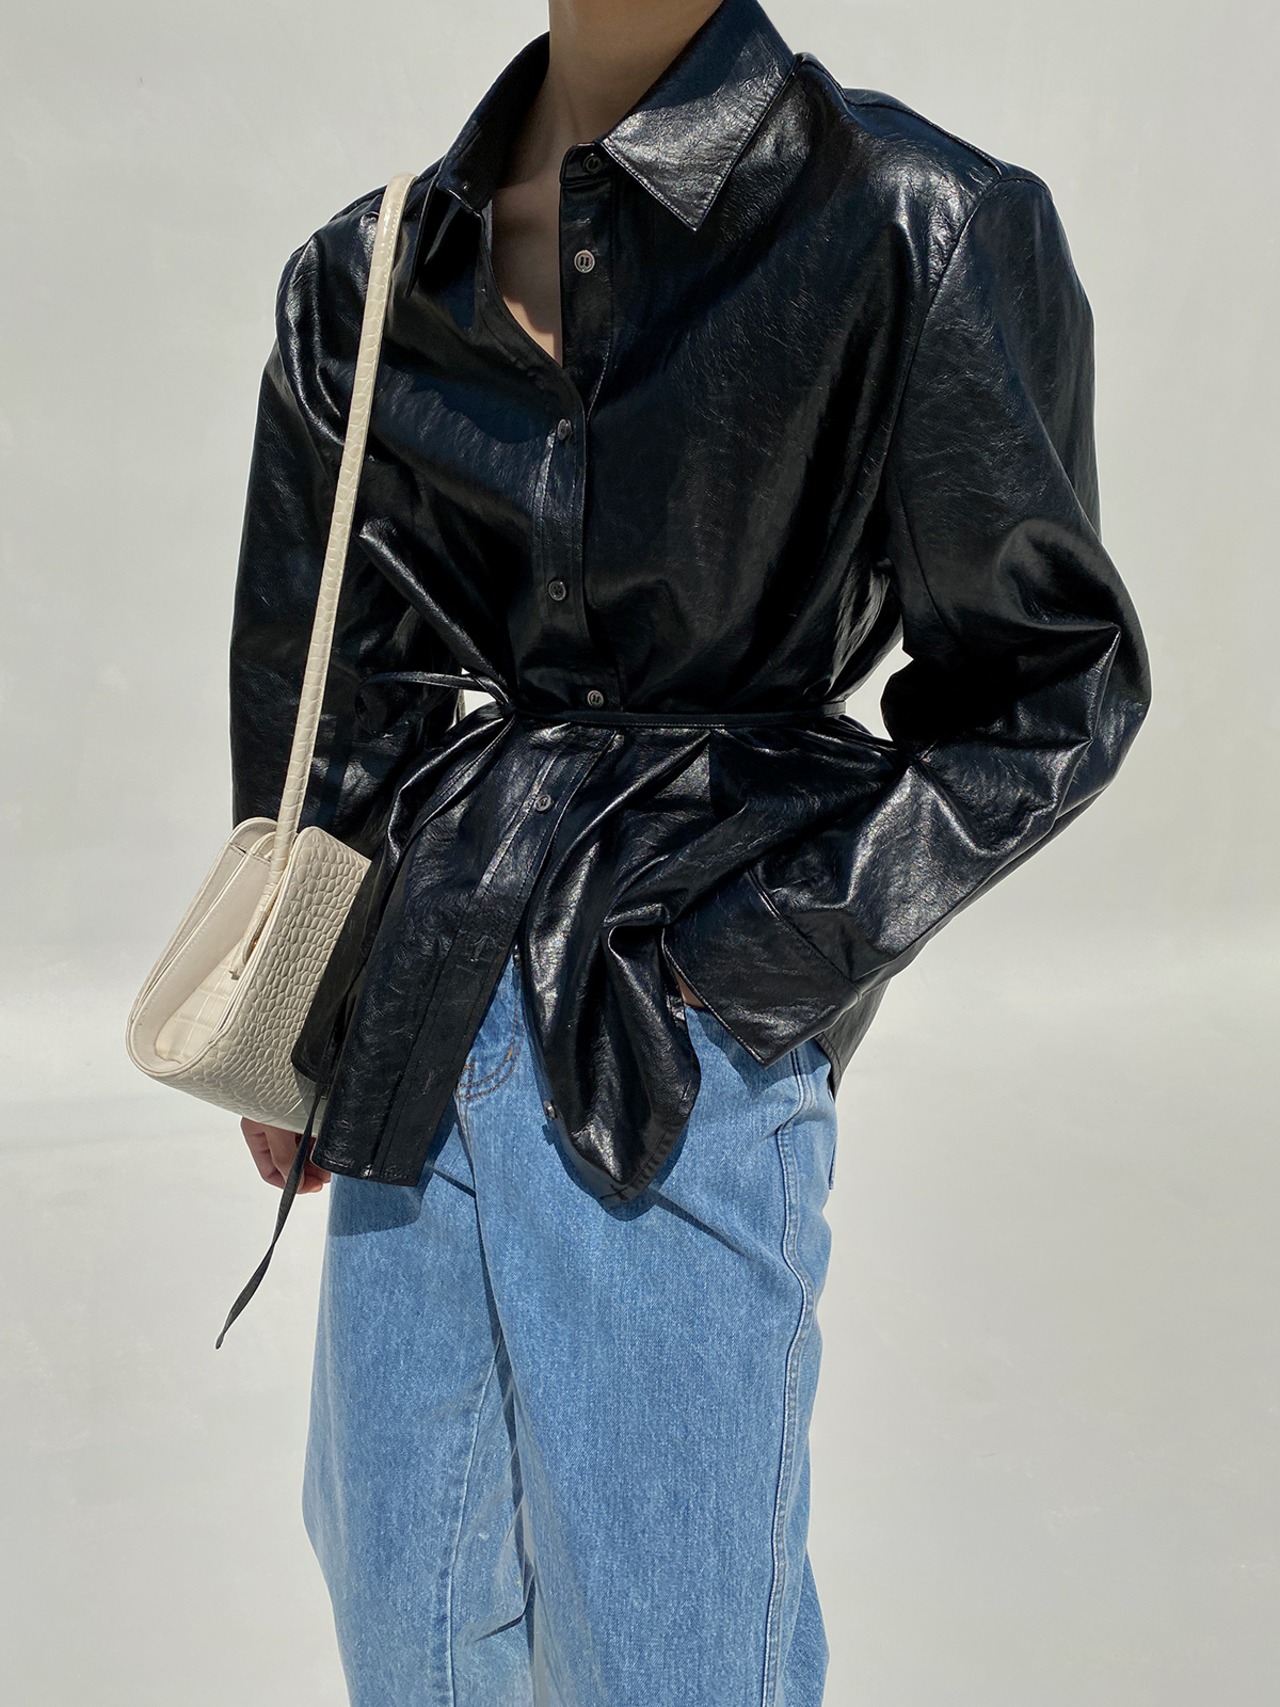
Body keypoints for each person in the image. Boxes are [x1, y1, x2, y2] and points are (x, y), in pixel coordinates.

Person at [226, 0, 1150, 1700]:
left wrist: (748, 959)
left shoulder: (913, 220)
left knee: (677, 1658)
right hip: (418, 1011)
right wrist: (302, 1008)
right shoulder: (368, 270)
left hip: (665, 1043)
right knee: (408, 1630)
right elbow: (331, 685)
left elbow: (1052, 686)